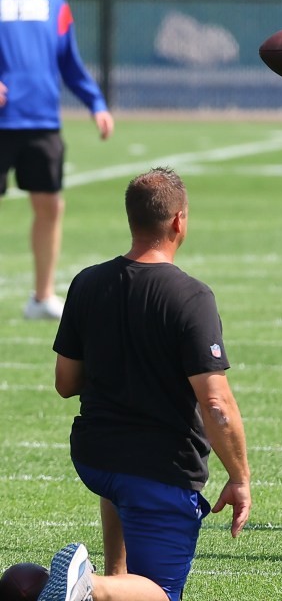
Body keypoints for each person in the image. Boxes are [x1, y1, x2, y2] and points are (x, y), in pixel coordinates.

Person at [41, 168, 251, 601]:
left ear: (131, 219)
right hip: (159, 469)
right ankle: (91, 586)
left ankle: (107, 577)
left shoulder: (87, 282)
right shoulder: (191, 297)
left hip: (96, 457)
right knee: (160, 593)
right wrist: (240, 477)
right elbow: (215, 403)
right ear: (178, 221)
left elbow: (65, 383)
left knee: (123, 481)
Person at [0, 0, 114, 321]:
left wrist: (95, 102)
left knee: (51, 207)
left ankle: (42, 297)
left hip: (42, 122)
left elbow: (69, 60)